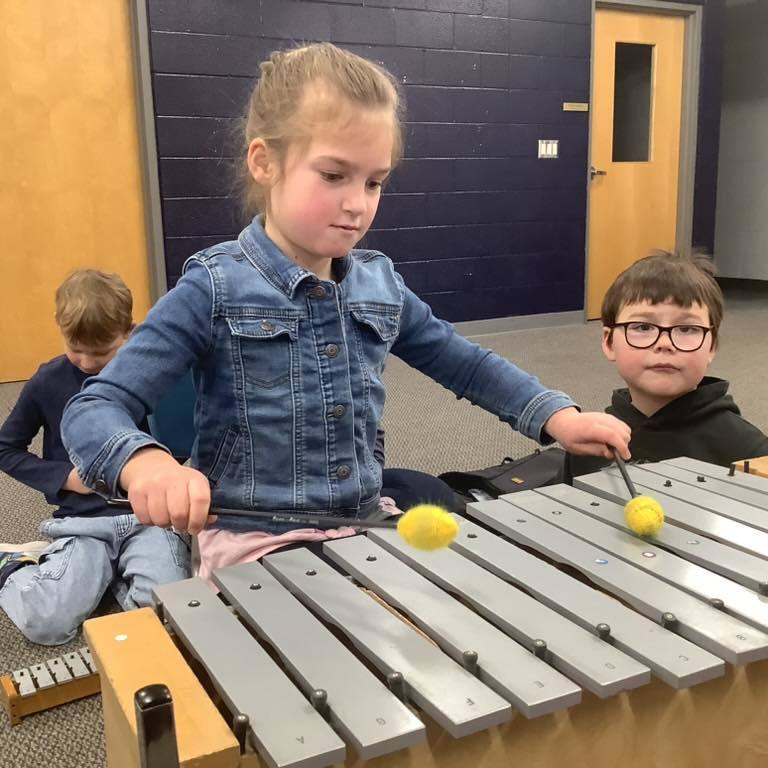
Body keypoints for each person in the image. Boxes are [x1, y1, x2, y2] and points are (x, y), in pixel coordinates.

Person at [61, 43, 629, 580]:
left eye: (375, 181)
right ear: (264, 161)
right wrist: (147, 464)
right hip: (257, 541)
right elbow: (95, 408)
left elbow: (467, 365)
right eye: (334, 175)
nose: (357, 203)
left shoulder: (379, 283)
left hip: (359, 520)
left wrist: (559, 417)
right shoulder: (214, 286)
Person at [0, 270, 190, 645]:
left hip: (150, 520)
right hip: (82, 522)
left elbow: (187, 445)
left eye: (101, 352)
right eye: (75, 348)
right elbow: (6, 448)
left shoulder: (160, 375)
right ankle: (14, 565)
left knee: (169, 622)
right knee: (47, 623)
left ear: (131, 332)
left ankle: (109, 574)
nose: (86, 362)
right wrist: (63, 478)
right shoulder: (47, 381)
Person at [567, 250, 768, 480]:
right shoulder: (590, 441)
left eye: (686, 329)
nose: (664, 343)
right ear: (609, 342)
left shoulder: (749, 452)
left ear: (711, 346)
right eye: (643, 327)